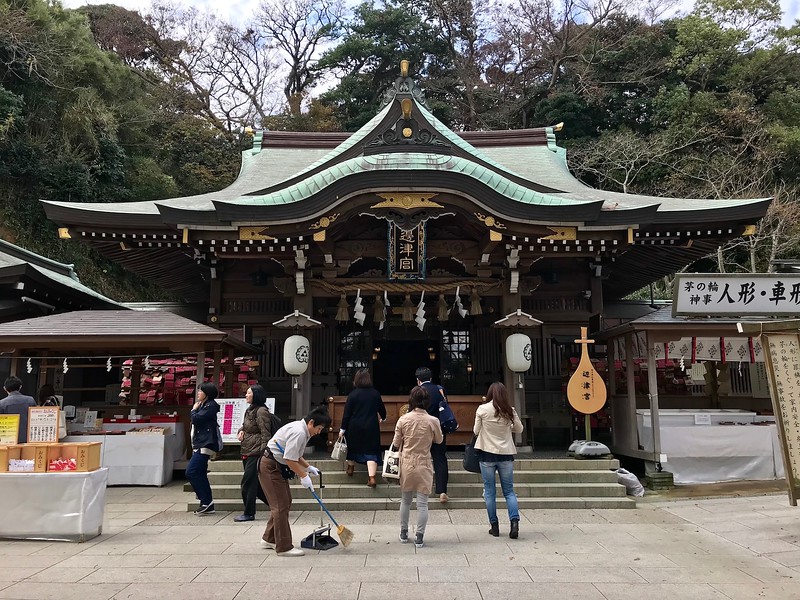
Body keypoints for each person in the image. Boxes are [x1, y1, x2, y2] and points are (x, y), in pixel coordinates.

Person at [258, 406, 331, 557]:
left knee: (284, 503)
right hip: (271, 466)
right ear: (311, 422)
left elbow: (295, 455)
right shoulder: (299, 432)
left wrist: (308, 467)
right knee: (280, 506)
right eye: (319, 428)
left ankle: (269, 538)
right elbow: (290, 459)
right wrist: (304, 476)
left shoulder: (303, 430)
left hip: (275, 465)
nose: (319, 432)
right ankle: (284, 547)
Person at [392, 385, 443, 549]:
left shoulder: (403, 420)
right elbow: (439, 440)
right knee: (422, 504)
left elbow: (396, 443)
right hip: (424, 462)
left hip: (406, 463)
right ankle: (419, 536)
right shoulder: (433, 421)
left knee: (405, 500)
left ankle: (403, 532)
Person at [473, 382, 524, 539]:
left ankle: (494, 526)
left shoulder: (482, 409)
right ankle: (514, 523)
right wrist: (509, 426)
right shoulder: (510, 410)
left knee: (489, 492)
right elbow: (520, 429)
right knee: (509, 491)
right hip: (506, 454)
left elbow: (475, 431)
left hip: (487, 454)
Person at [338, 369, 387, 487]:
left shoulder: (352, 395)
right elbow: (382, 410)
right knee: (371, 451)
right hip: (371, 426)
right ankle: (372, 478)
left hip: (354, 426)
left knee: (352, 448)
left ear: (356, 380)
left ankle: (350, 468)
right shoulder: (375, 394)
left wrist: (342, 429)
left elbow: (347, 414)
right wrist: (383, 418)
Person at [234, 384, 272, 522]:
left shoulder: (261, 411)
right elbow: (246, 426)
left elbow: (266, 434)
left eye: (249, 393)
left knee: (247, 484)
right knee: (257, 485)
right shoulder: (250, 410)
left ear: (256, 395)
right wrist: (241, 431)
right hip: (247, 450)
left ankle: (249, 513)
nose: (246, 395)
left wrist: (263, 453)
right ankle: (277, 505)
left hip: (256, 452)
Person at [415, 366, 449, 503]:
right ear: (430, 378)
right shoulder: (439, 389)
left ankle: (421, 488)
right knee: (440, 458)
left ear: (418, 380)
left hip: (421, 429)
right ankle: (442, 491)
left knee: (420, 458)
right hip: (438, 428)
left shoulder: (417, 391)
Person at [186, 382, 221, 515]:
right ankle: (207, 503)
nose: (198, 393)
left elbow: (197, 419)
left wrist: (193, 410)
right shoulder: (203, 405)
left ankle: (206, 501)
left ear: (207, 393)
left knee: (191, 472)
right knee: (199, 473)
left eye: (201, 391)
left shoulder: (210, 406)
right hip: (200, 443)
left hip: (205, 444)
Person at [1, 376, 37, 443]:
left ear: (5, 388)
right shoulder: (30, 400)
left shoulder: (2, 403)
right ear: (20, 387)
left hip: (7, 440)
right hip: (28, 439)